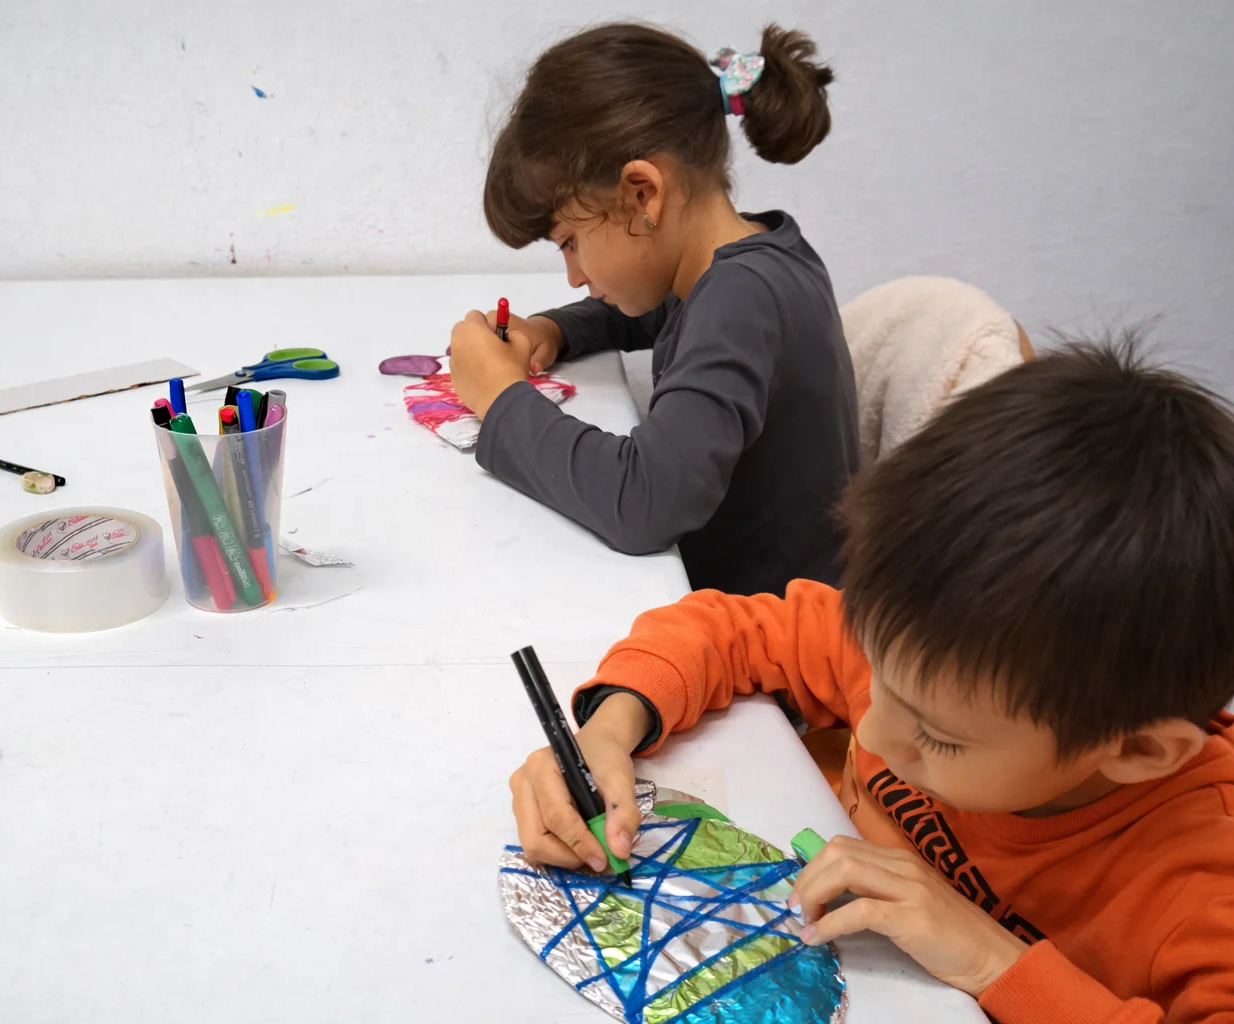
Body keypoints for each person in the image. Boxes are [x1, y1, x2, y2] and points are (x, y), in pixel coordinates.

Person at [507, 339, 1234, 1020]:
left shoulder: (1202, 892)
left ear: (1136, 750)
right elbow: (730, 629)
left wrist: (994, 961)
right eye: (877, 676)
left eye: (938, 738)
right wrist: (613, 725)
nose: (875, 731)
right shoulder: (930, 656)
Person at [447, 23, 858, 596]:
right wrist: (555, 329)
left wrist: (499, 400)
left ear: (643, 193)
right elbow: (662, 312)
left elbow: (645, 502)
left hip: (777, 635)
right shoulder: (756, 259)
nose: (574, 276)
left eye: (570, 242)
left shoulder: (742, 298)